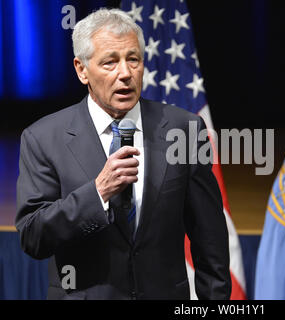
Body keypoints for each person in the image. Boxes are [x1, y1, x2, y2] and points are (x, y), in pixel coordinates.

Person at [15, 8, 231, 300]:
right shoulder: (43, 138)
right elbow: (33, 237)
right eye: (110, 62)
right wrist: (97, 193)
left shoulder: (186, 130)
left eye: (133, 60)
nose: (125, 74)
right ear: (82, 70)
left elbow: (211, 241)